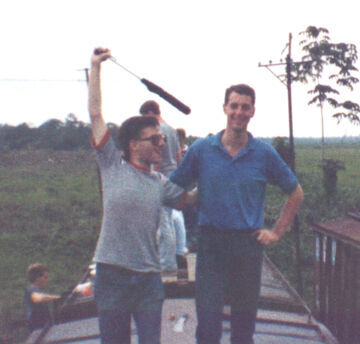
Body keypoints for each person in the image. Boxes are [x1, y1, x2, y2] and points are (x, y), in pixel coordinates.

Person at [170, 84, 304, 344]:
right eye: (234, 106)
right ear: (225, 108)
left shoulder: (263, 153)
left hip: (247, 246)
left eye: (245, 107)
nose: (239, 112)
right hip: (211, 245)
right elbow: (174, 190)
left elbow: (296, 193)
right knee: (208, 327)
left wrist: (276, 232)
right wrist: (194, 196)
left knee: (243, 329)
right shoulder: (201, 150)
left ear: (253, 111)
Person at [88, 47, 196, 344]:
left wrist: (219, 170)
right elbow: (96, 114)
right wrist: (96, 67)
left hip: (149, 279)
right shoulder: (112, 166)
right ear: (134, 144)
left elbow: (195, 199)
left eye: (162, 138)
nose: (162, 144)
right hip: (112, 276)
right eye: (156, 140)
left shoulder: (161, 183)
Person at [139, 100, 188, 271]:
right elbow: (178, 156)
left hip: (162, 178)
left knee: (163, 222)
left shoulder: (158, 131)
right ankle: (177, 253)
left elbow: (157, 159)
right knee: (173, 218)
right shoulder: (172, 130)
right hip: (174, 177)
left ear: (151, 113)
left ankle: (166, 263)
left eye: (145, 117)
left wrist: (151, 178)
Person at [24, 264, 60, 331]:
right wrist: (57, 298)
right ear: (38, 278)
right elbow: (38, 298)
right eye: (45, 277)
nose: (48, 280)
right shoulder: (32, 290)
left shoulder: (36, 291)